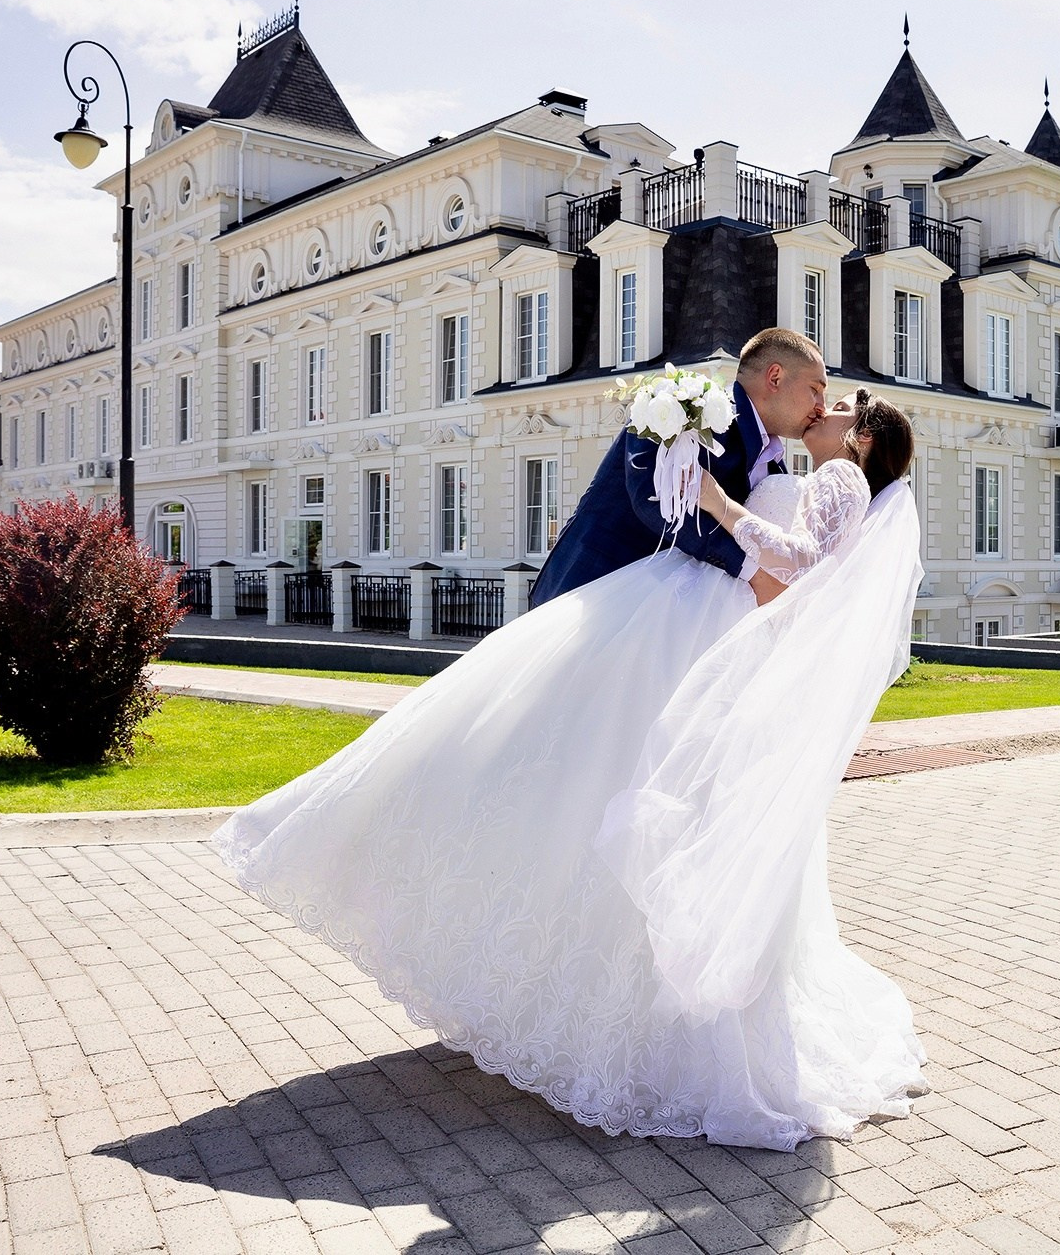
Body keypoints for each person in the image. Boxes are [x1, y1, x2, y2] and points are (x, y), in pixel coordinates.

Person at [212, 374, 926, 1150]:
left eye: (839, 405)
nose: (825, 404)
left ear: (861, 439)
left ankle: (636, 1022)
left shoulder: (837, 479)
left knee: (615, 783)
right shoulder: (801, 472)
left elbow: (795, 563)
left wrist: (717, 503)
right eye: (820, 390)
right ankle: (630, 1011)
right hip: (690, 617)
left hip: (693, 620)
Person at [527, 328, 828, 609]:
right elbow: (653, 498)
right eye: (815, 389)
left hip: (669, 619)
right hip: (590, 595)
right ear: (774, 377)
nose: (822, 406)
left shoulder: (775, 466)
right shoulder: (682, 407)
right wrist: (753, 574)